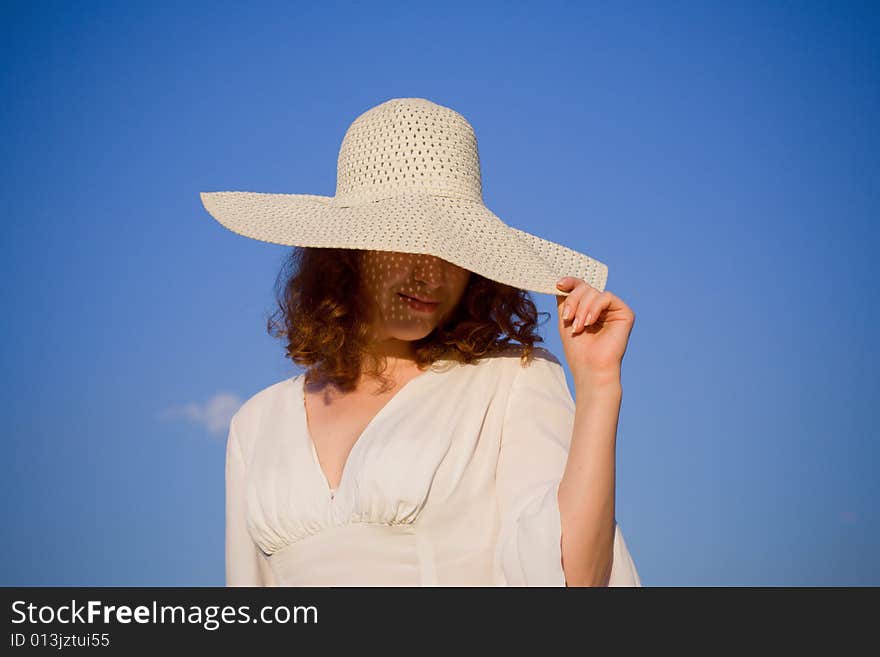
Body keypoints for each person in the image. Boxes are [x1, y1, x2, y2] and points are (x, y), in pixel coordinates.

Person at [200, 97, 642, 586]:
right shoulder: (257, 424)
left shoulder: (510, 383)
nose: (430, 274)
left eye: (452, 249)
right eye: (406, 241)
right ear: (350, 250)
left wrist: (599, 384)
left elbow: (573, 579)